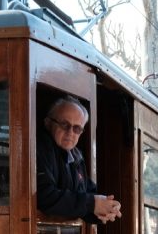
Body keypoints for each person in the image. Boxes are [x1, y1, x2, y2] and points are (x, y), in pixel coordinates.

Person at [36, 95, 121, 224]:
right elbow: (44, 197)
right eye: (64, 124)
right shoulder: (39, 148)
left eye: (77, 128)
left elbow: (86, 194)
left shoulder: (76, 156)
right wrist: (92, 203)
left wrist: (108, 208)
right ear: (48, 123)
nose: (70, 132)